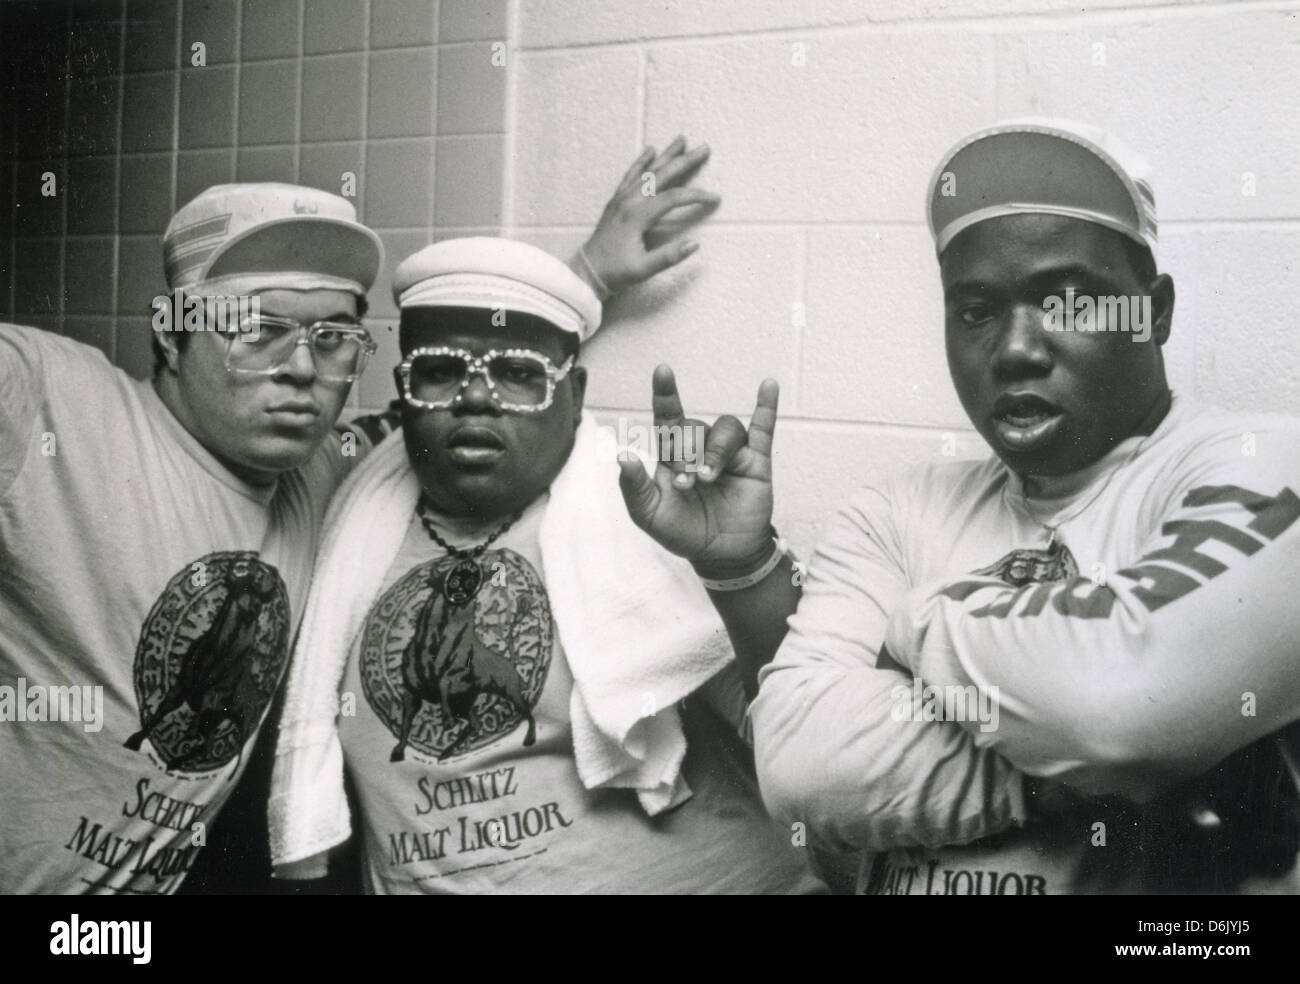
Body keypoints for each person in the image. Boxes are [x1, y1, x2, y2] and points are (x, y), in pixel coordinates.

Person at [0, 138, 717, 894]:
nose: (302, 368)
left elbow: (464, 391)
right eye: (256, 329)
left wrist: (588, 276)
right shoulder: (50, 400)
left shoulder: (329, 469)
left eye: (333, 337)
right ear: (170, 334)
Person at [617, 118, 1300, 894]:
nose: (1015, 348)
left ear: (1157, 310)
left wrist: (915, 627)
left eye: (1071, 302)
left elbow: (1119, 703)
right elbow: (801, 763)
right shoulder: (896, 510)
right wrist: (1103, 766)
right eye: (976, 309)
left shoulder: (1260, 463)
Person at [268, 236, 824, 894]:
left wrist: (745, 565)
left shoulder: (646, 520)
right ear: (404, 391)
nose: (476, 397)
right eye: (441, 371)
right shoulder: (348, 517)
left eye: (517, 372)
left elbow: (817, 741)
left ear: (575, 394)